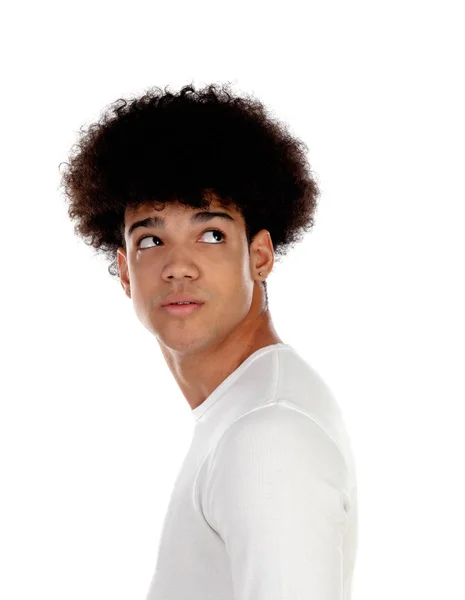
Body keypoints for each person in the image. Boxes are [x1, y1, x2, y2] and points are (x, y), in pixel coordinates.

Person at [59, 82, 358, 599]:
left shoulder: (268, 434)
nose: (177, 266)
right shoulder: (241, 411)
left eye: (211, 234)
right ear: (125, 271)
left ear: (260, 256)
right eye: (151, 239)